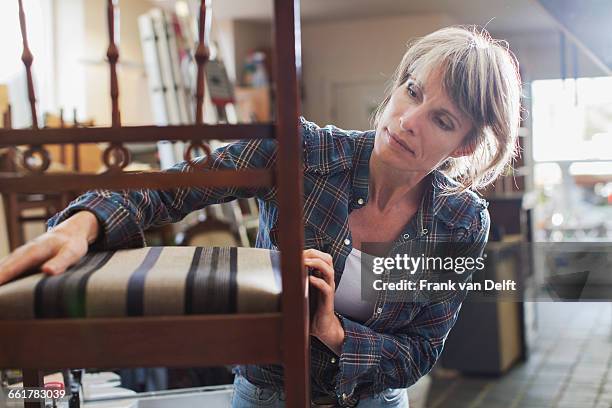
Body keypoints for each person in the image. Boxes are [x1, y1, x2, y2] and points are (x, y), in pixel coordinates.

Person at [0, 25, 521, 407]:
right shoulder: (304, 154)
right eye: (412, 90)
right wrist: (81, 225)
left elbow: (420, 352)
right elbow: (167, 189)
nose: (408, 121)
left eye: (442, 119)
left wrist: (333, 331)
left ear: (466, 143)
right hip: (268, 393)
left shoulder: (460, 221)